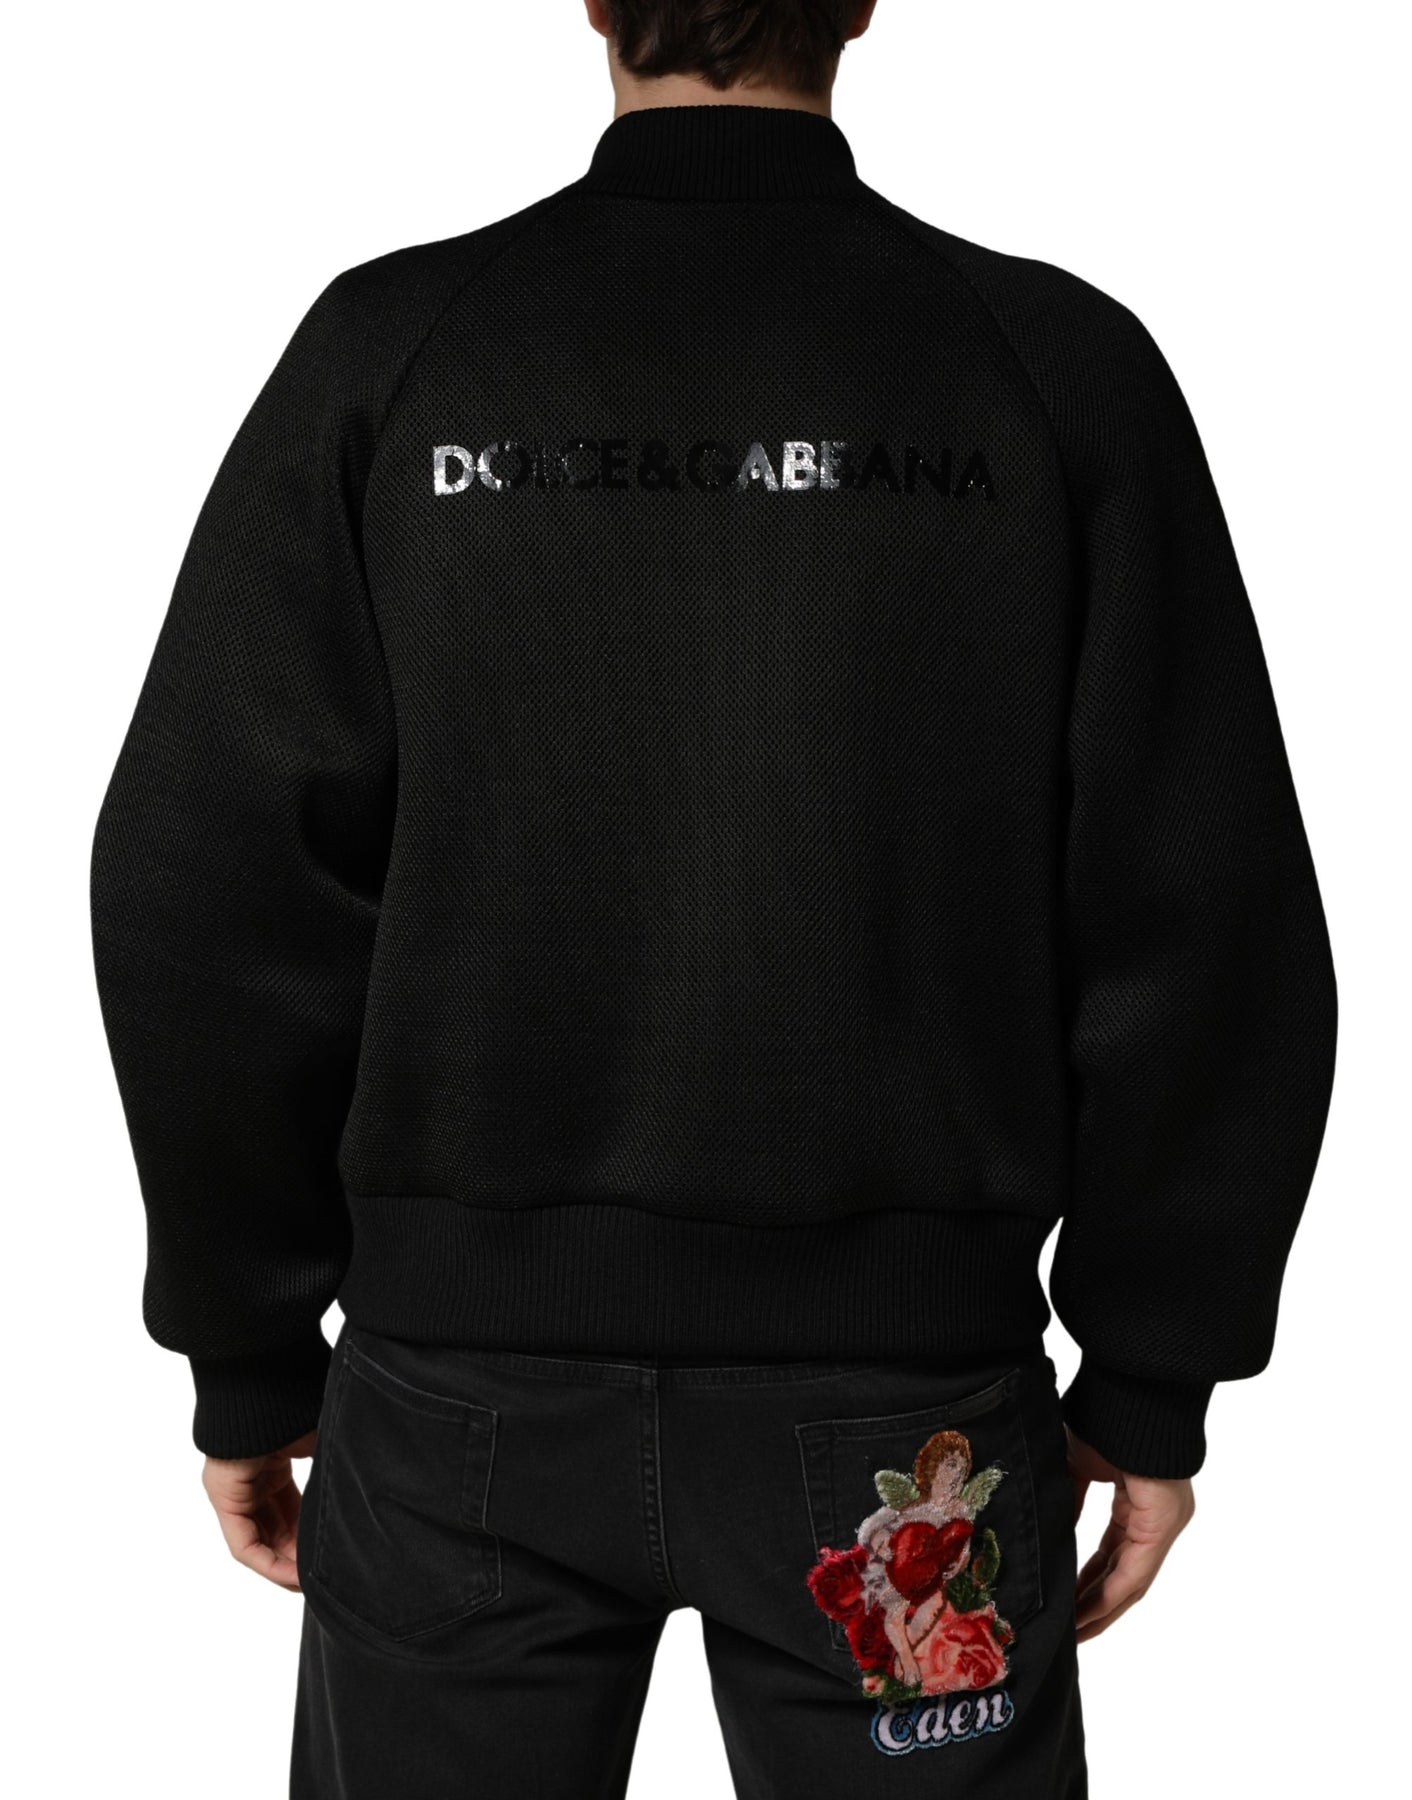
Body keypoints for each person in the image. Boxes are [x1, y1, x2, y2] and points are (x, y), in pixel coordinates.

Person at [88, 2, 1338, 1794]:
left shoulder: (400, 349)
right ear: (861, 1)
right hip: (910, 1435)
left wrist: (248, 1341)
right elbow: (1204, 913)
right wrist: (1154, 1371)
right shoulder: (1048, 367)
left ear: (595, 2)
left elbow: (201, 882)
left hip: (458, 1418)